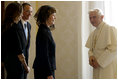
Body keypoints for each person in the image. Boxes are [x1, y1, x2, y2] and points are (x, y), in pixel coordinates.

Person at [85, 8, 117, 79]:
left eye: (94, 17)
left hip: (107, 67)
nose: (92, 20)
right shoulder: (93, 33)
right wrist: (91, 57)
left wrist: (99, 62)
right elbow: (91, 49)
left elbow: (113, 49)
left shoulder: (110, 28)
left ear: (102, 17)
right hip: (96, 67)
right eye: (90, 18)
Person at [1, 2, 30, 79]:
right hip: (17, 66)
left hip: (8, 64)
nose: (21, 16)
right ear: (15, 14)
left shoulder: (4, 27)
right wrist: (26, 67)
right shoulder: (13, 28)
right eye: (20, 13)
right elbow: (19, 52)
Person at [33, 5, 56, 79]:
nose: (55, 18)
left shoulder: (46, 30)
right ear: (46, 16)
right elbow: (44, 55)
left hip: (45, 69)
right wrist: (49, 73)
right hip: (44, 71)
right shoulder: (43, 32)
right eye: (53, 15)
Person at [17, 2, 33, 79]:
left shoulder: (29, 26)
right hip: (16, 63)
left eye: (31, 12)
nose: (30, 14)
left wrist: (26, 65)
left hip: (25, 62)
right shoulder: (16, 24)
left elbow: (26, 46)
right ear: (21, 11)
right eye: (27, 11)